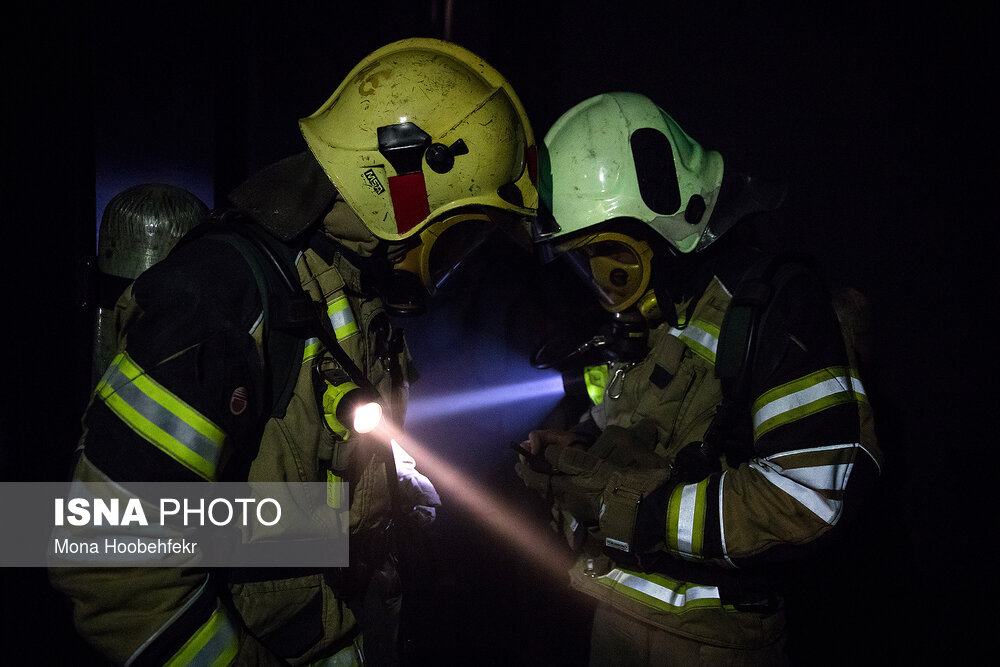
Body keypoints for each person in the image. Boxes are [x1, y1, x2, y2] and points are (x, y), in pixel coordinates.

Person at [51, 37, 537, 666]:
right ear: (398, 183)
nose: (449, 265)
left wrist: (389, 489)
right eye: (457, 234)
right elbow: (98, 548)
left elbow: (303, 462)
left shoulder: (348, 289)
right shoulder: (224, 295)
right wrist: (350, 519)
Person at [515, 92, 881, 665]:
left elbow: (810, 496)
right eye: (584, 255)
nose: (600, 276)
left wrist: (647, 515)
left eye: (611, 250)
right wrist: (583, 447)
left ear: (669, 220)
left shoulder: (774, 310)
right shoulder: (653, 312)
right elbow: (639, 429)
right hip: (613, 614)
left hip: (716, 641)